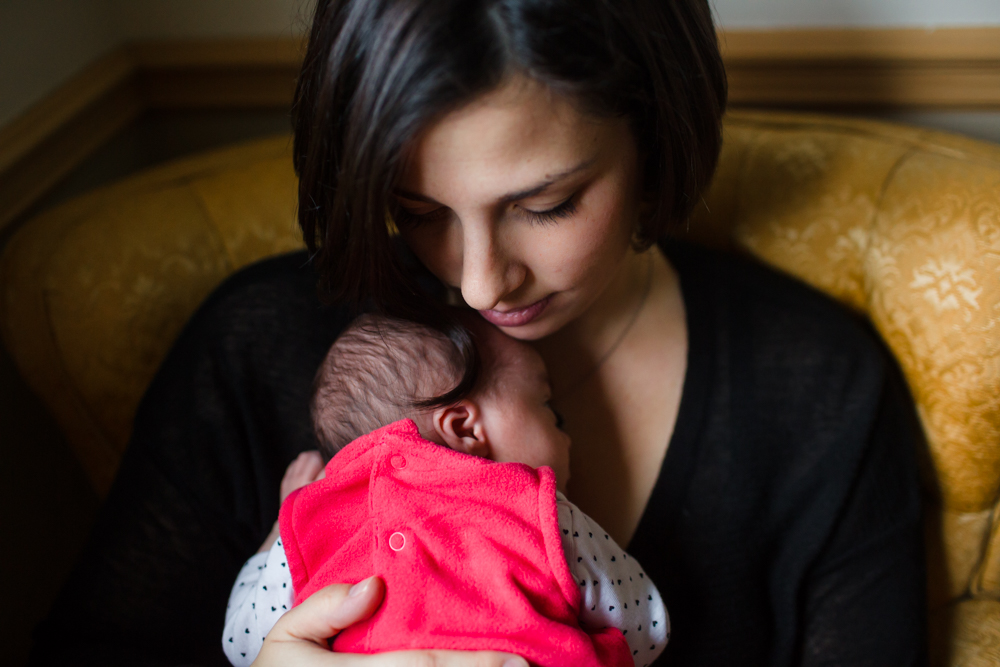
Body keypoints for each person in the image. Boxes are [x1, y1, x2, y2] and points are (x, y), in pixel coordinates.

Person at [30, 0, 927, 665]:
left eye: (546, 205)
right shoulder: (253, 347)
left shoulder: (817, 394)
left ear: (654, 139)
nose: (478, 281)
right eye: (417, 211)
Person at [222, 314, 668, 667]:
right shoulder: (541, 509)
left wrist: (285, 522)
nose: (566, 437)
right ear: (464, 426)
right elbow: (647, 627)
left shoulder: (318, 520)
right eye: (549, 409)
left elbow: (242, 643)